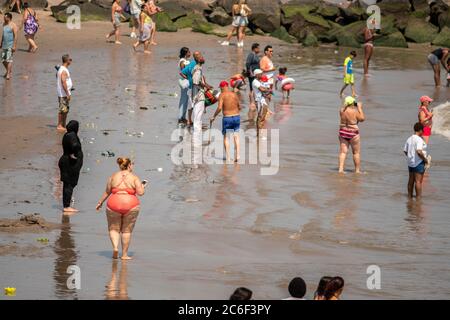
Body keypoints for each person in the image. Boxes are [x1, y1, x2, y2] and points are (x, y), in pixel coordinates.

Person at [96, 157, 146, 260]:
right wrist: (142, 186)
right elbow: (140, 193)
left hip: (114, 203)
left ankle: (115, 248)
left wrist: (100, 202)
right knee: (126, 230)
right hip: (130, 205)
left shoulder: (113, 176)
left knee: (113, 228)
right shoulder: (134, 177)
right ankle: (124, 255)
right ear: (129, 165)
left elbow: (107, 191)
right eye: (132, 164)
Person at [211, 81, 241, 163]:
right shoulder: (234, 94)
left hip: (227, 118)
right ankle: (238, 155)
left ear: (222, 87)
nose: (220, 89)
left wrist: (214, 116)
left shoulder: (222, 95)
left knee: (226, 137)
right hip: (236, 117)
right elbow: (240, 106)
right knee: (236, 136)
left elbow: (220, 107)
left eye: (220, 88)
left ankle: (228, 157)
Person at [58, 120, 83, 213]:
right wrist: (73, 154)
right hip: (69, 163)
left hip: (66, 161)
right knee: (69, 184)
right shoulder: (72, 135)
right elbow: (75, 145)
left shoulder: (67, 134)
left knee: (68, 184)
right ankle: (67, 206)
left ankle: (66, 204)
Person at [338, 96, 365, 174]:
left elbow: (345, 108)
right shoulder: (355, 111)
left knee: (343, 152)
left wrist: (350, 104)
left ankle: (340, 169)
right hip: (353, 132)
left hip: (343, 131)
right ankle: (357, 171)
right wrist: (359, 108)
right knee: (356, 152)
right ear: (353, 103)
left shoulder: (341, 110)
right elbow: (362, 119)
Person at [191, 53, 212, 150]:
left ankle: (196, 140)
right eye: (201, 57)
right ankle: (196, 141)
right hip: (199, 96)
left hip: (197, 95)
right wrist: (205, 86)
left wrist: (206, 85)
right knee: (197, 118)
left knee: (197, 118)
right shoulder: (198, 69)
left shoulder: (198, 68)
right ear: (198, 59)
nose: (203, 58)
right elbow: (196, 82)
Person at [404, 123, 429, 199]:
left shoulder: (409, 138)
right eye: (423, 131)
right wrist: (425, 160)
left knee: (410, 181)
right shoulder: (419, 139)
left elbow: (405, 151)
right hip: (418, 162)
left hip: (410, 163)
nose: (423, 132)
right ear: (420, 130)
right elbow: (419, 151)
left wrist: (410, 156)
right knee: (418, 181)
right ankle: (418, 198)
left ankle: (409, 196)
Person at [180, 51, 200, 127]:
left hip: (196, 87)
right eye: (198, 55)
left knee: (194, 104)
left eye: (200, 55)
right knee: (192, 104)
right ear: (196, 57)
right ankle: (190, 120)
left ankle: (190, 120)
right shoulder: (192, 64)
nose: (200, 57)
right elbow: (182, 72)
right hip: (192, 87)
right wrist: (188, 78)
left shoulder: (198, 64)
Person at [56, 54, 73, 132]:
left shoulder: (62, 69)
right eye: (70, 59)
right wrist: (67, 93)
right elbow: (63, 82)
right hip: (63, 94)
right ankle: (59, 125)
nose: (71, 61)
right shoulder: (63, 70)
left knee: (65, 110)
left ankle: (63, 124)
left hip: (64, 93)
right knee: (62, 110)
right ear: (67, 61)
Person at [1, 13, 18, 80]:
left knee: (9, 59)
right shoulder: (4, 24)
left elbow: (16, 36)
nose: (4, 19)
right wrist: (1, 43)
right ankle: (9, 70)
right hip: (4, 45)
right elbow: (3, 34)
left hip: (10, 45)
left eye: (5, 17)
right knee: (3, 60)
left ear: (9, 18)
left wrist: (14, 46)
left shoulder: (13, 25)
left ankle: (8, 74)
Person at [178, 47, 191, 126]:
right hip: (184, 82)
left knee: (186, 100)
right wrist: (188, 77)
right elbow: (183, 72)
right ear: (185, 53)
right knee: (184, 100)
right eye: (189, 52)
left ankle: (183, 117)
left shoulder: (186, 61)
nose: (190, 53)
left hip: (186, 81)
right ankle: (181, 117)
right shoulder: (182, 61)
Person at [246, 43, 261, 107]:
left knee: (255, 88)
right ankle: (251, 102)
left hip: (256, 75)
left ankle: (255, 101)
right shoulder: (251, 55)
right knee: (252, 88)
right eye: (258, 48)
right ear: (255, 48)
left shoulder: (256, 55)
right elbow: (247, 64)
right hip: (252, 74)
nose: (259, 49)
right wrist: (250, 72)